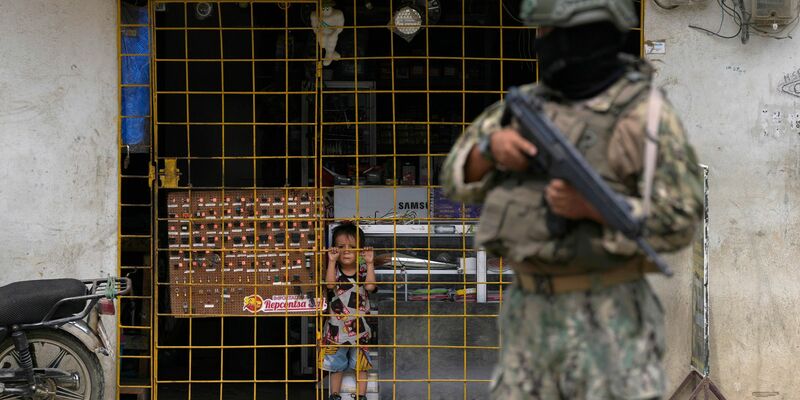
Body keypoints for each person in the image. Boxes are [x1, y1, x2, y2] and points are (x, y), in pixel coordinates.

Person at [440, 0, 704, 398]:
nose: (540, 43)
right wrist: (490, 148)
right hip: (530, 312)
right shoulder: (523, 106)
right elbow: (455, 180)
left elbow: (681, 218)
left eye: (549, 32)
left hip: (612, 318)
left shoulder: (641, 115)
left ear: (589, 35)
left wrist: (591, 206)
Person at [319, 222, 376, 400]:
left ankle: (361, 396)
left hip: (361, 330)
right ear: (334, 249)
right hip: (336, 331)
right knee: (336, 365)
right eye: (341, 247)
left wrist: (370, 262)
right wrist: (331, 261)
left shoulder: (363, 270)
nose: (346, 251)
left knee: (361, 366)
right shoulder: (334, 271)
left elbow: (370, 286)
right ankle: (334, 395)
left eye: (352, 247)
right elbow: (329, 285)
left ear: (360, 250)